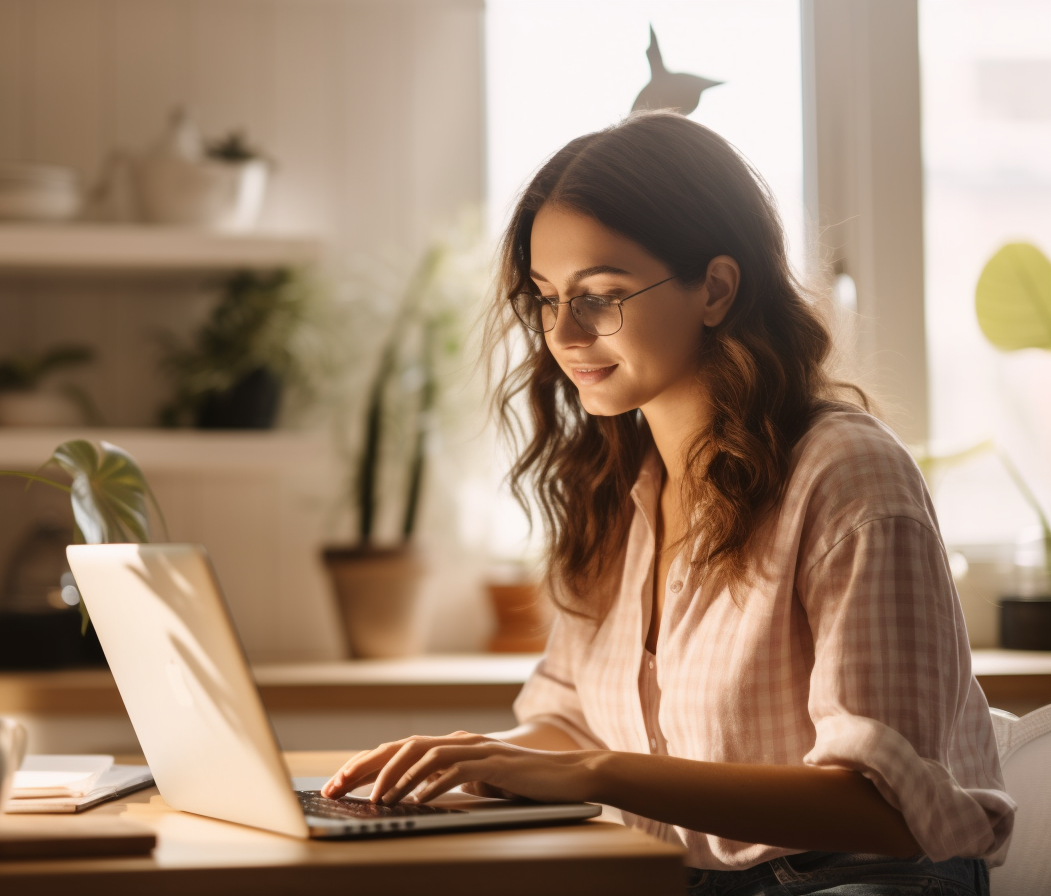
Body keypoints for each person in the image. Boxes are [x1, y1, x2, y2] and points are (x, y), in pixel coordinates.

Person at [322, 112, 1013, 894]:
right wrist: (469, 760)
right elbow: (571, 722)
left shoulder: (845, 473)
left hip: (859, 880)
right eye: (547, 299)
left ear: (715, 288)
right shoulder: (613, 483)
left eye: (601, 296)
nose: (565, 334)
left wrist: (595, 772)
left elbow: (886, 808)